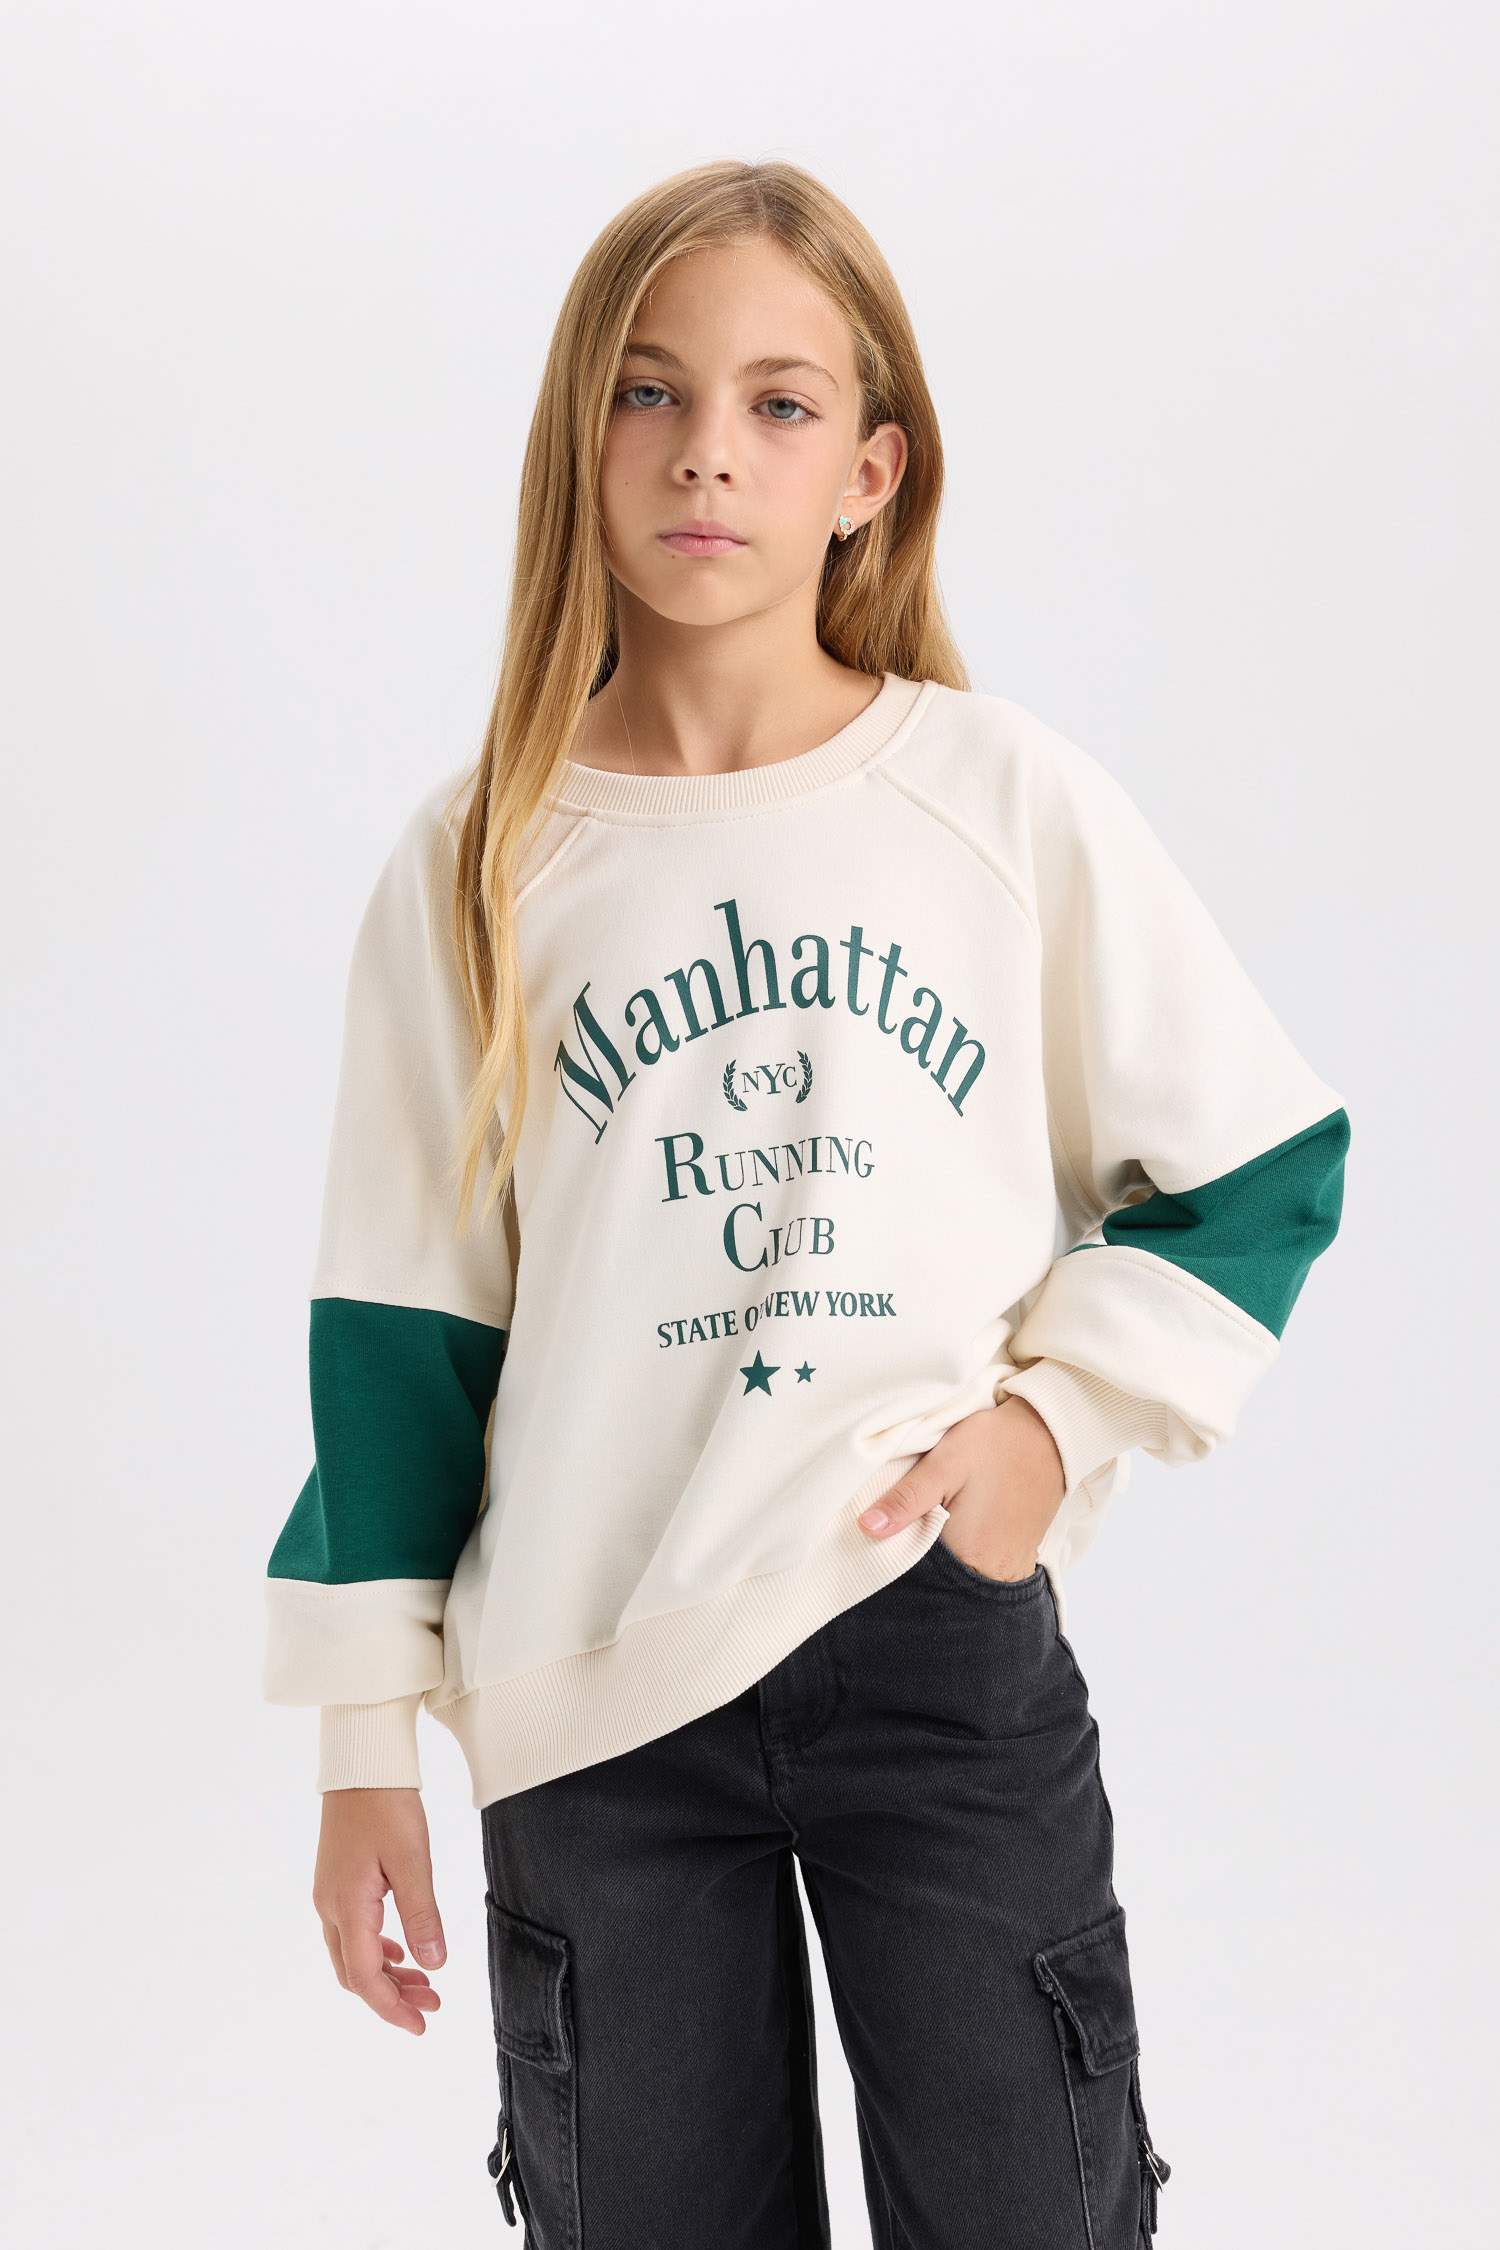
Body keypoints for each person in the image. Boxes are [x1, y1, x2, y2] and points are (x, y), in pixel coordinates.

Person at [263, 157, 1349, 2247]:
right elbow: (402, 1334)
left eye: (778, 404)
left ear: (871, 470)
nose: (706, 453)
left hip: (933, 1642)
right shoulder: (483, 858)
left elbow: (1259, 1162)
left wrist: (1052, 1428)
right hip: (593, 1687)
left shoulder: (994, 800)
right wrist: (358, 1743)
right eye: (650, 392)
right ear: (578, 437)